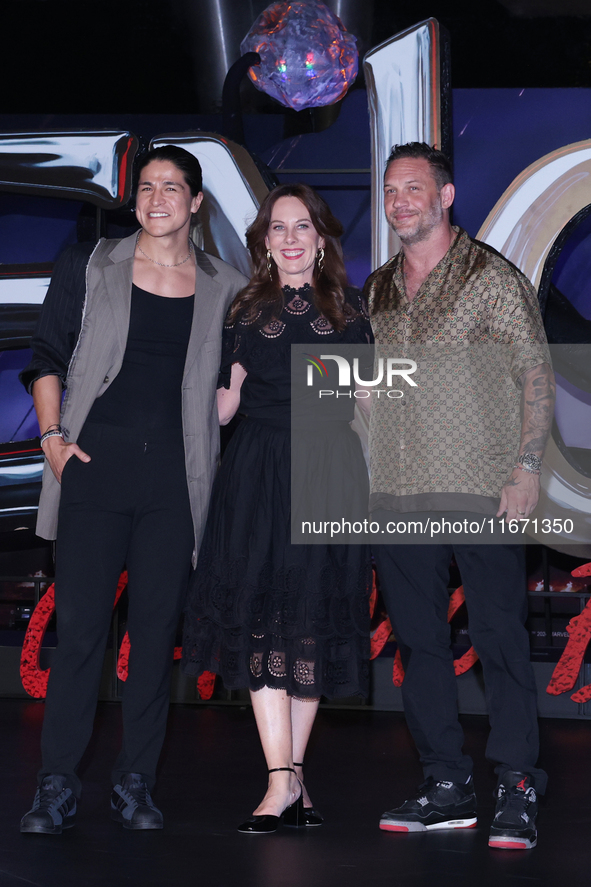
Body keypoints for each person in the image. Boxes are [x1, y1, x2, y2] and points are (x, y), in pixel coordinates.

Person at [19, 145, 247, 833]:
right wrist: (53, 440)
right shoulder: (90, 265)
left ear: (196, 201)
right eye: (146, 186)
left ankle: (135, 782)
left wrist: (230, 401)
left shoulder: (226, 286)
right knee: (82, 636)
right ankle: (55, 785)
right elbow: (46, 357)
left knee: (153, 639)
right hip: (94, 466)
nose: (156, 198)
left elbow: (235, 379)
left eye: (171, 187)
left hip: (176, 482)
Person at [365, 143, 554, 850]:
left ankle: (516, 780)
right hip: (397, 488)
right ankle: (445, 781)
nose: (400, 200)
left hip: (481, 483)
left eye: (414, 187)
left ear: (445, 196)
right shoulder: (379, 287)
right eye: (390, 189)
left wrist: (526, 466)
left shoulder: (491, 277)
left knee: (499, 637)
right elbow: (376, 385)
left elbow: (534, 374)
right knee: (419, 643)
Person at [182, 183, 372, 833]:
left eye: (302, 227)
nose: (289, 238)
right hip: (257, 472)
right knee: (263, 624)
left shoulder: (351, 308)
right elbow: (225, 403)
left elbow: (367, 406)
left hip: (328, 471)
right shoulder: (244, 306)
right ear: (264, 241)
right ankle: (281, 778)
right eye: (277, 228)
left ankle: (288, 775)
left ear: (321, 238)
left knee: (310, 624)